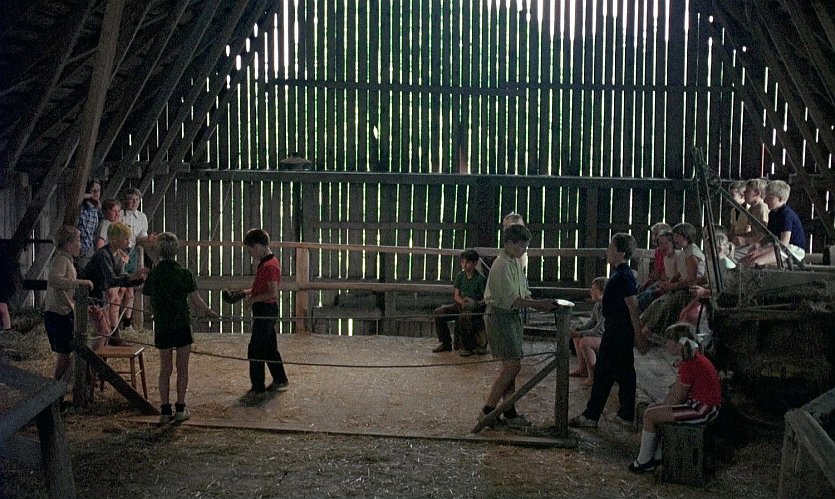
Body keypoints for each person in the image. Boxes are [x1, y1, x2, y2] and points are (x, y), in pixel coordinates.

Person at [478, 224, 557, 428]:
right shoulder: (502, 265)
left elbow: (523, 291)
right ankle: (487, 411)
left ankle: (509, 411)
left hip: (511, 317)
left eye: (525, 247)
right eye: (521, 246)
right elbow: (512, 299)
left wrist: (538, 303)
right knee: (512, 367)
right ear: (509, 243)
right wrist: (538, 305)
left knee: (510, 368)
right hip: (500, 317)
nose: (523, 250)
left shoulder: (514, 262)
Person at [569, 233, 641, 429]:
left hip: (619, 331)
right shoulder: (619, 275)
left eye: (611, 247)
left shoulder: (624, 276)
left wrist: (638, 334)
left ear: (622, 252)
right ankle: (617, 414)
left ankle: (599, 415)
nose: (608, 251)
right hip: (616, 330)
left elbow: (633, 306)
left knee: (613, 373)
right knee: (614, 373)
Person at [143, 232, 217, 424]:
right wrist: (210, 313)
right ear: (176, 250)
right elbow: (196, 301)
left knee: (165, 368)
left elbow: (148, 305)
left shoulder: (153, 274)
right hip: (182, 324)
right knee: (182, 368)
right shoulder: (184, 274)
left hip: (162, 325)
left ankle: (165, 410)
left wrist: (151, 312)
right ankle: (181, 408)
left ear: (158, 251)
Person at [628, 322, 721, 472]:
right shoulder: (692, 358)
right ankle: (658, 454)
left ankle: (644, 461)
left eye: (668, 340)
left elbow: (678, 396)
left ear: (679, 344)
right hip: (703, 404)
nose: (666, 344)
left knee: (650, 415)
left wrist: (662, 408)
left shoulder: (689, 364)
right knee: (653, 409)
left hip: (702, 409)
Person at [637, 223, 705, 351]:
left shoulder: (692, 254)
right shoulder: (686, 252)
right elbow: (681, 272)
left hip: (690, 291)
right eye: (675, 236)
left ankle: (651, 332)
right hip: (683, 288)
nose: (675, 239)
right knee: (658, 302)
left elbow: (691, 280)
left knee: (668, 303)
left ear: (686, 236)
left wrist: (673, 286)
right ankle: (641, 329)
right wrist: (672, 281)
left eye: (678, 236)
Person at [240, 228, 290, 395]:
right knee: (269, 347)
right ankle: (280, 380)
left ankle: (257, 387)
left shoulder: (269, 266)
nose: (251, 254)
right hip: (266, 309)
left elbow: (272, 293)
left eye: (250, 250)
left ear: (257, 246)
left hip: (265, 310)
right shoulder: (267, 263)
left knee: (255, 349)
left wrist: (252, 300)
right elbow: (262, 288)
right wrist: (244, 293)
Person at [43, 226, 93, 385]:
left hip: (64, 312)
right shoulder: (61, 260)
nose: (80, 244)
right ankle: (56, 390)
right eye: (78, 240)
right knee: (65, 355)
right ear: (68, 244)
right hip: (58, 314)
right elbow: (54, 280)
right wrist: (79, 283)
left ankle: (61, 387)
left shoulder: (66, 260)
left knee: (72, 352)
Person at [84, 222, 147, 348]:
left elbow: (122, 276)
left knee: (106, 331)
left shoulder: (116, 254)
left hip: (99, 296)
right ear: (114, 239)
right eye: (126, 238)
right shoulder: (103, 255)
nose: (128, 242)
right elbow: (111, 280)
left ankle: (99, 356)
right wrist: (133, 277)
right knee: (104, 331)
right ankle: (94, 357)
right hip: (90, 296)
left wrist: (138, 279)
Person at [432, 249, 487, 356]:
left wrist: (474, 303)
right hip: (460, 304)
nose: (464, 265)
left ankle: (467, 347)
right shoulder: (460, 276)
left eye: (467, 262)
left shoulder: (480, 279)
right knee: (439, 312)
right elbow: (456, 295)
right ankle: (446, 343)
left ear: (475, 263)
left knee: (464, 316)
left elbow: (485, 298)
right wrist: (462, 302)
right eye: (462, 262)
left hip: (473, 308)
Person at [739, 180, 807, 267]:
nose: (765, 200)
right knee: (745, 260)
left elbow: (784, 242)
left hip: (793, 249)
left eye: (769, 198)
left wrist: (761, 251)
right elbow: (769, 236)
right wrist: (758, 244)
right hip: (779, 247)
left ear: (780, 199)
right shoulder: (772, 213)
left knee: (755, 262)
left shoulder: (786, 214)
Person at [120, 187, 155, 330]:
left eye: (137, 200)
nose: (134, 202)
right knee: (119, 288)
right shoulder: (119, 214)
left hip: (133, 251)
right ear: (125, 200)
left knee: (131, 289)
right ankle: (115, 322)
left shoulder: (142, 217)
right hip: (119, 251)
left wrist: (149, 239)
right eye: (131, 199)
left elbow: (141, 237)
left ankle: (127, 323)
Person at [569, 276, 608, 388]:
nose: (591, 291)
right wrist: (578, 330)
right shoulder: (598, 305)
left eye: (594, 289)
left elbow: (599, 331)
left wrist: (581, 334)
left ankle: (593, 377)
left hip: (612, 340)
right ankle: (583, 369)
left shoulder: (608, 306)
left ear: (602, 291)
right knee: (577, 337)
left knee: (585, 341)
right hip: (603, 336)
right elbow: (591, 323)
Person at [732, 178, 769, 259]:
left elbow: (765, 234)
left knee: (733, 255)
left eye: (747, 191)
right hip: (753, 242)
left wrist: (746, 240)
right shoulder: (751, 209)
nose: (744, 193)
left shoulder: (762, 208)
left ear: (757, 193)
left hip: (761, 245)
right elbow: (753, 232)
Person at [76, 178, 102, 270]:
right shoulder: (81, 207)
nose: (96, 193)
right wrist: (89, 196)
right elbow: (76, 198)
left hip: (90, 248)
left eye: (98, 191)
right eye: (93, 191)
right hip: (78, 247)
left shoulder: (96, 209)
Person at [0, 240, 15, 332]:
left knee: (2, 307)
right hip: (3, 281)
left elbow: (7, 267)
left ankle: (7, 333)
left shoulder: (2, 247)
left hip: (2, 282)